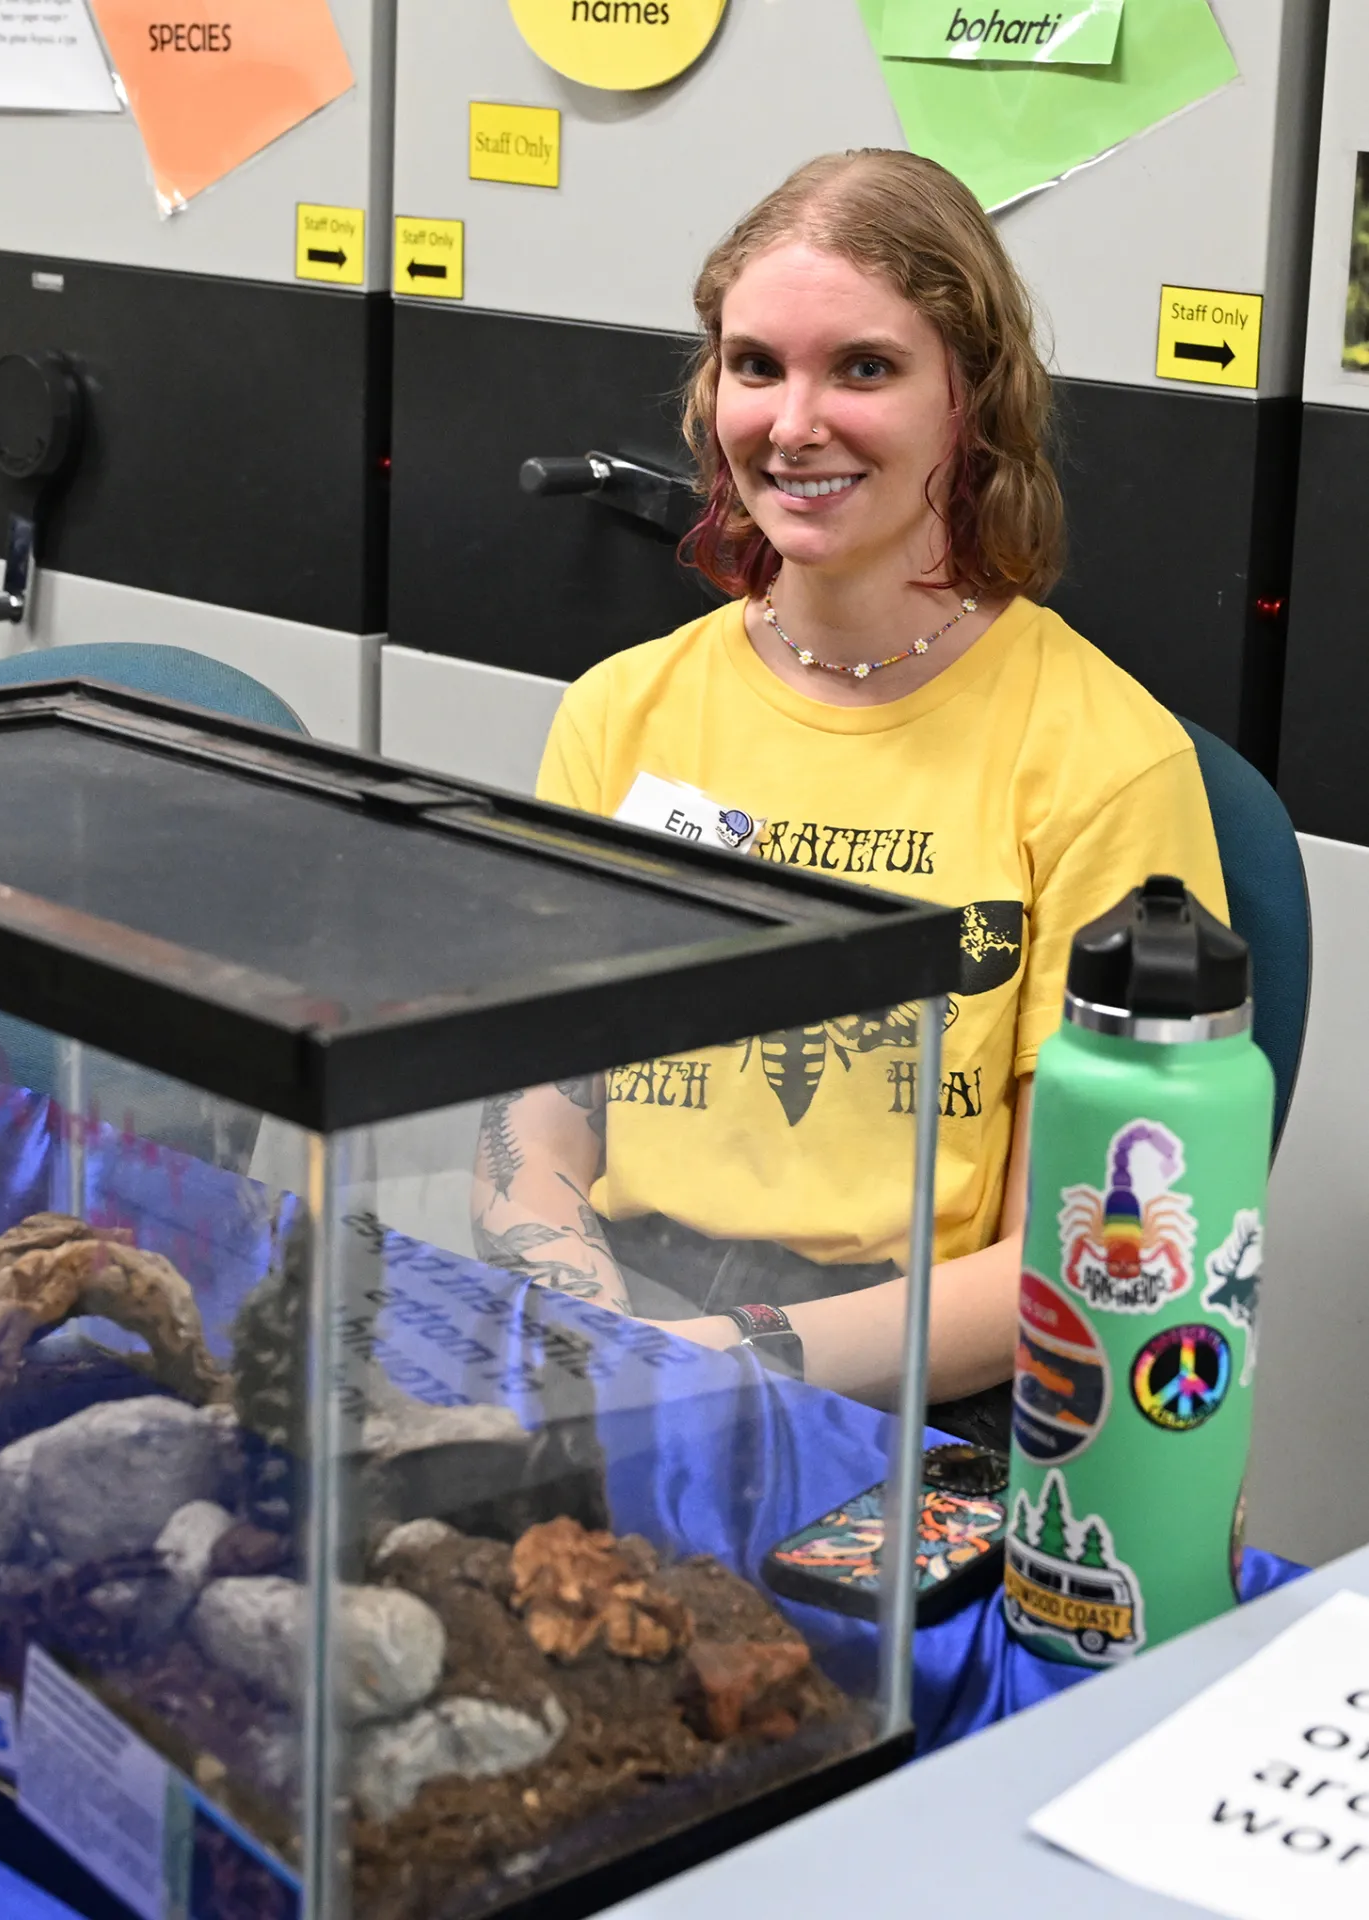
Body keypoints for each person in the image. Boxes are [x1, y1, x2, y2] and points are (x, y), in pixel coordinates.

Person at [470, 149, 1227, 1446]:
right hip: (622, 1321)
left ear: (970, 400)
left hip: (912, 1380)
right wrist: (577, 1304)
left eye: (863, 368)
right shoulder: (618, 712)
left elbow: (1077, 1256)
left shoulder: (1110, 759)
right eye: (755, 365)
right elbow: (541, 1105)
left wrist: (725, 1361)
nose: (792, 420)